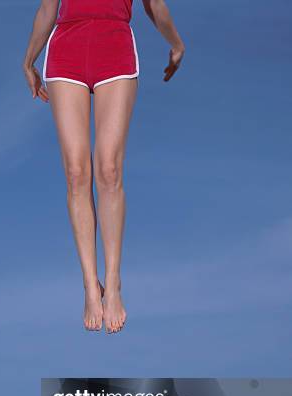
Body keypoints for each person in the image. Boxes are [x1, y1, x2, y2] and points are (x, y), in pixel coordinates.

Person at [23, 0, 185, 333]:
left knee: (109, 170)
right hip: (66, 49)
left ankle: (112, 284)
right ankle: (89, 285)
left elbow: (154, 4)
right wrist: (29, 60)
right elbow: (46, 8)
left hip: (115, 48)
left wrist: (177, 43)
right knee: (76, 173)